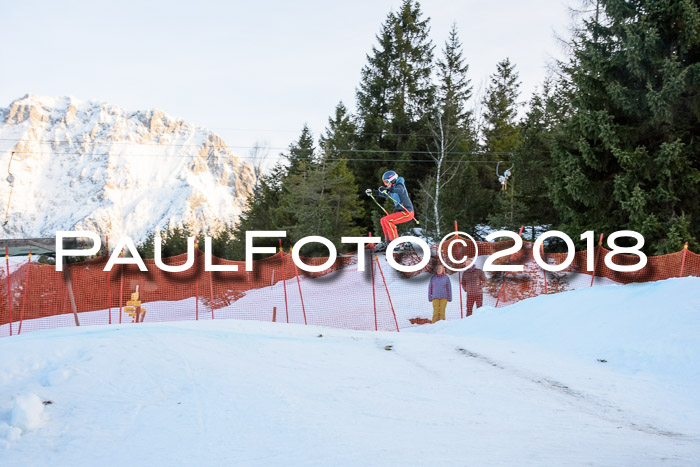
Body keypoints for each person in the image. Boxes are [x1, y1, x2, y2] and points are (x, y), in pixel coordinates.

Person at [365, 170, 414, 246]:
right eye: (384, 183)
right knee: (383, 220)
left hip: (407, 212)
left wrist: (388, 189)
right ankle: (388, 242)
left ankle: (395, 243)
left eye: (387, 182)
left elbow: (400, 190)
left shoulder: (399, 185)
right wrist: (373, 192)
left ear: (392, 180)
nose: (386, 184)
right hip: (401, 212)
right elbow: (385, 195)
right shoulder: (392, 188)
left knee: (387, 220)